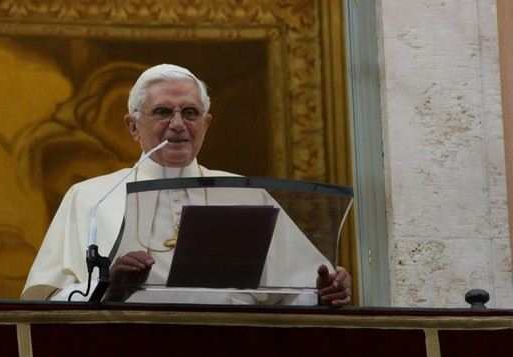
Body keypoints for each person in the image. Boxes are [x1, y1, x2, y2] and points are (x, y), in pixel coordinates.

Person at [21, 64, 351, 306]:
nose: (177, 125)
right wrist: (109, 289)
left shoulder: (245, 194)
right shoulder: (91, 197)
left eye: (190, 113)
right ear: (133, 126)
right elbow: (49, 302)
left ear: (205, 124)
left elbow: (295, 295)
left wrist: (324, 292)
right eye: (163, 111)